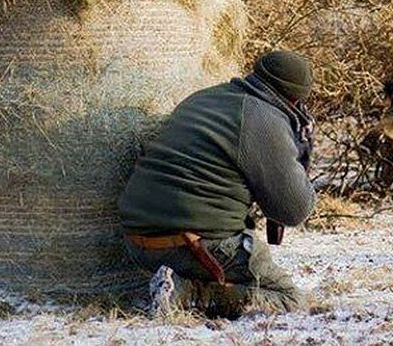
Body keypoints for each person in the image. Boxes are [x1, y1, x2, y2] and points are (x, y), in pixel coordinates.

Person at [118, 49, 317, 319]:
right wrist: (300, 153)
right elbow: (293, 210)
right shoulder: (264, 118)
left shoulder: (204, 97)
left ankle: (172, 283)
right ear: (295, 99)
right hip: (195, 246)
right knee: (288, 299)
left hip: (137, 242)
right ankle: (187, 294)